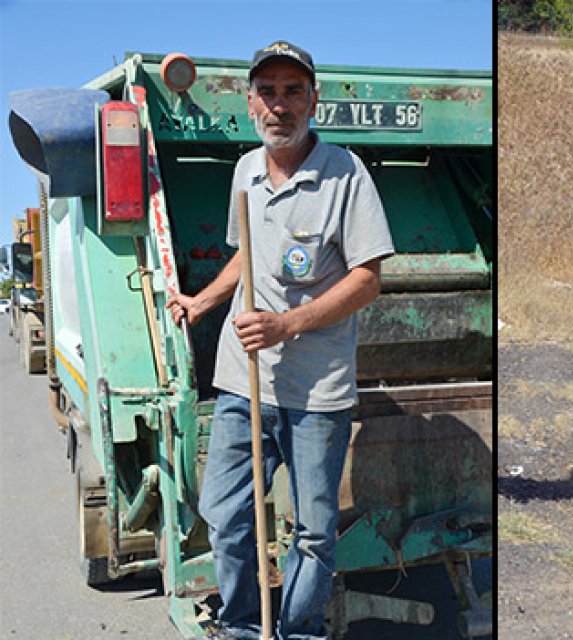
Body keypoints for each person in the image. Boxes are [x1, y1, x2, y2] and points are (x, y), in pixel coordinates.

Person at [166, 40, 394, 640]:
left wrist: (287, 323)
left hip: (317, 390)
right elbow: (248, 256)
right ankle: (243, 626)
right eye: (268, 91)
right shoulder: (245, 170)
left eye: (294, 91)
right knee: (226, 517)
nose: (280, 105)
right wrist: (204, 301)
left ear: (313, 100)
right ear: (250, 102)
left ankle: (295, 631)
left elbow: (368, 279)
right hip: (244, 382)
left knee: (315, 532)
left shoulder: (346, 173)